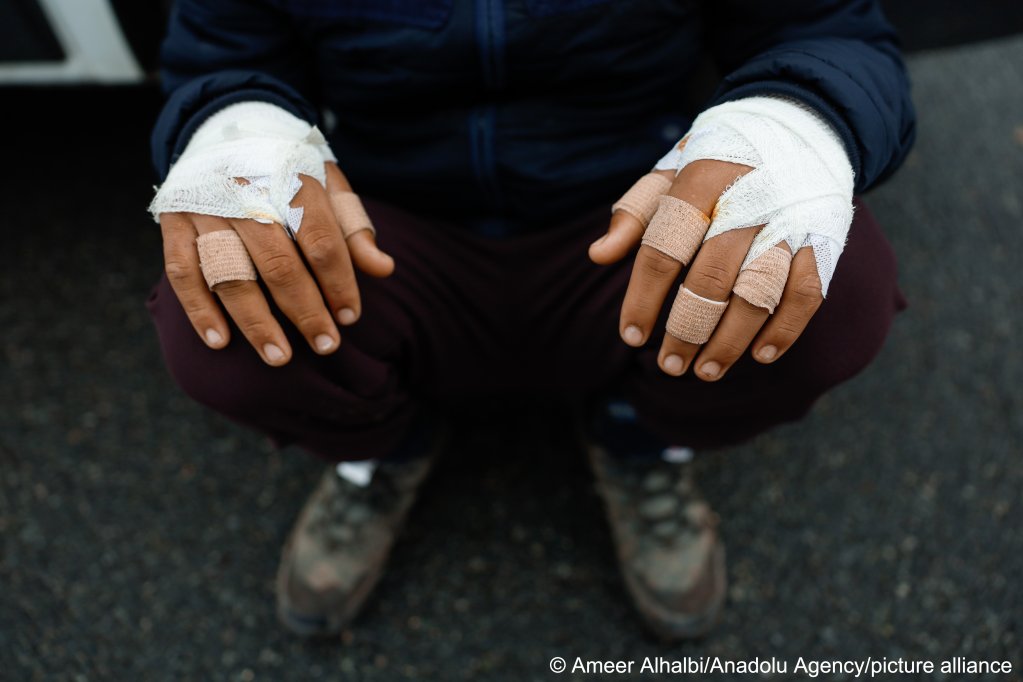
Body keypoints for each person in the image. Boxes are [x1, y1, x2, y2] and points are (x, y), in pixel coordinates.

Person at [145, 0, 914, 640]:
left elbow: (821, 27)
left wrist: (792, 125)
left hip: (627, 213)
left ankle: (639, 433)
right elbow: (223, 54)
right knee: (215, 304)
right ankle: (380, 447)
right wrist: (235, 132)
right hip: (386, 227)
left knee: (823, 276)